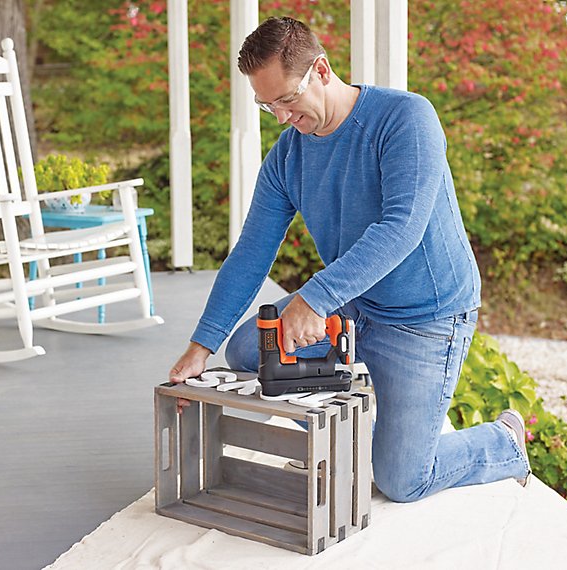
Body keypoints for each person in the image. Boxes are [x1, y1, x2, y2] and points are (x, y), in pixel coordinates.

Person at [168, 16, 530, 503]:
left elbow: (401, 228)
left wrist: (314, 299)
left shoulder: (406, 118)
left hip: (425, 315)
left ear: (321, 70)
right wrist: (200, 347)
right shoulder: (288, 156)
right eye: (267, 105)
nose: (280, 116)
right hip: (355, 304)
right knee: (249, 351)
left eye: (287, 99)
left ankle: (502, 442)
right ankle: (347, 434)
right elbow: (251, 252)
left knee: (402, 481)